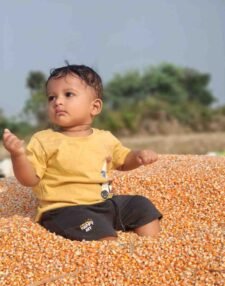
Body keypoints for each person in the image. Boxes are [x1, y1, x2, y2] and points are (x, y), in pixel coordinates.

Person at [3, 64, 162, 241]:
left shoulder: (105, 138)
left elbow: (124, 160)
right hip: (66, 210)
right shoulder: (44, 140)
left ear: (94, 107)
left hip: (105, 204)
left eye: (68, 94)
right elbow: (29, 179)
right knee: (100, 232)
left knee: (140, 205)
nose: (58, 101)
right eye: (51, 97)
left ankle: (152, 244)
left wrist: (138, 157)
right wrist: (18, 155)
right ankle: (111, 253)